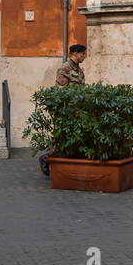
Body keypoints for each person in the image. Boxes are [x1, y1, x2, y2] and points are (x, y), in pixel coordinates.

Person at [39, 44, 88, 177]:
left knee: (74, 138)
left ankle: (69, 166)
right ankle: (47, 158)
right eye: (83, 54)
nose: (84, 56)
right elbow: (61, 92)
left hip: (78, 110)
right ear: (75, 54)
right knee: (61, 138)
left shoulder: (78, 70)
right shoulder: (65, 69)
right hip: (67, 110)